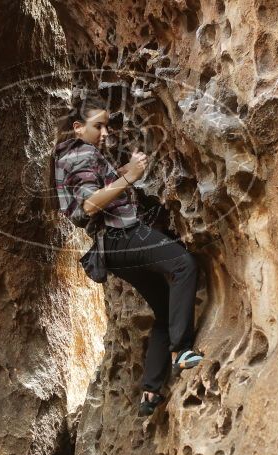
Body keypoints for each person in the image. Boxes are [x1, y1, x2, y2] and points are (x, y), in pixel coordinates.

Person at [49, 94, 204, 416]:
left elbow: (83, 202)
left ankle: (150, 391)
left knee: (165, 311)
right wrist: (130, 176)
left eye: (106, 126)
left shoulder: (70, 156)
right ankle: (182, 352)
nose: (104, 133)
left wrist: (119, 172)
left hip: (112, 250)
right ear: (78, 127)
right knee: (184, 265)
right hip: (125, 237)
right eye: (98, 126)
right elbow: (90, 205)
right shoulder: (81, 153)